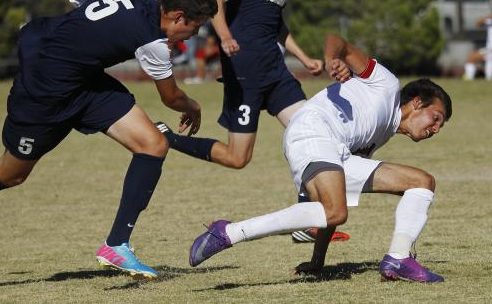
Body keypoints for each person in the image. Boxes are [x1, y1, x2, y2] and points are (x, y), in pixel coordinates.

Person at [0, 0, 217, 279]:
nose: (191, 37)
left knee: (153, 144)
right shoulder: (152, 41)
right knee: (10, 175)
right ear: (176, 16)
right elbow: (172, 98)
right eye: (194, 28)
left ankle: (116, 245)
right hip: (45, 91)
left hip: (83, 80)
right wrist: (194, 106)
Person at [187, 34, 452, 283]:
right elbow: (337, 41)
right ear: (417, 102)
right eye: (436, 118)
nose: (435, 129)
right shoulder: (386, 84)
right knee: (335, 210)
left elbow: (330, 206)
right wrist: (333, 59)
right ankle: (229, 232)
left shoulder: (379, 134)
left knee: (421, 182)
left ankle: (398, 258)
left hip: (332, 146)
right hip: (314, 130)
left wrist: (318, 261)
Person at [157, 0, 322, 168]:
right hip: (245, 73)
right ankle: (168, 138)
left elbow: (274, 22)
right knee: (238, 158)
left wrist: (304, 58)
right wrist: (225, 37)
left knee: (311, 133)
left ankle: (312, 201)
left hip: (275, 69)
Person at [463, 9, 492, 81]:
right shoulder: (491, 22)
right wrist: (489, 16)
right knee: (471, 58)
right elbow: (478, 24)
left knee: (490, 56)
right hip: (489, 49)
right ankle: (469, 80)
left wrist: (489, 52)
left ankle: (489, 79)